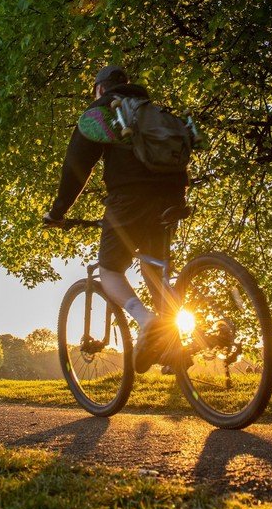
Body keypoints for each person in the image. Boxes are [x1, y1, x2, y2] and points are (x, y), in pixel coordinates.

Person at [43, 65, 188, 373]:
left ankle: (146, 320)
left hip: (130, 199)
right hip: (173, 195)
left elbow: (76, 167)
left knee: (110, 270)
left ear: (99, 89)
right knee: (154, 269)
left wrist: (58, 211)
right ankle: (174, 345)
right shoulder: (153, 111)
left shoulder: (102, 111)